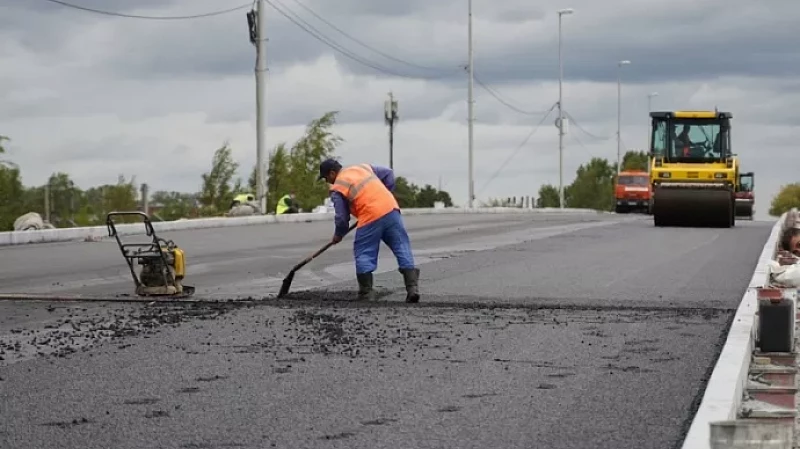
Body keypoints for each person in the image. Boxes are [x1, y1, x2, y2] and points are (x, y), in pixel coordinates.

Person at [318, 158, 420, 302]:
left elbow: (342, 218)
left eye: (326, 178)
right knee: (401, 245)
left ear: (333, 173)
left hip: (370, 215)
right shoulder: (363, 168)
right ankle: (412, 289)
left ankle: (366, 293)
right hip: (391, 208)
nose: (327, 181)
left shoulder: (337, 187)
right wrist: (385, 194)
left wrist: (338, 235)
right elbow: (389, 173)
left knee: (364, 251)